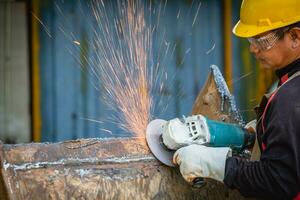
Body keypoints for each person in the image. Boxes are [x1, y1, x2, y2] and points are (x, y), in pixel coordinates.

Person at [172, 0, 300, 199]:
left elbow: (279, 181)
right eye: (251, 40)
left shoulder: (289, 99)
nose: (253, 49)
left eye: (261, 40)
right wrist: (256, 137)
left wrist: (216, 164)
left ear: (294, 36)